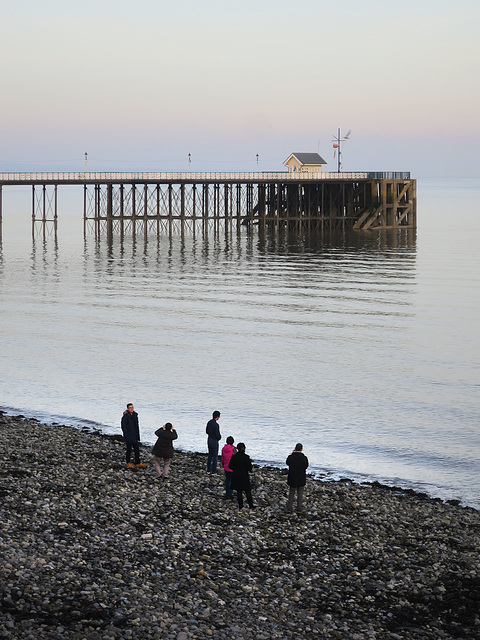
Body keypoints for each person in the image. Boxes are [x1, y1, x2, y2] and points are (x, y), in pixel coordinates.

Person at [229, 442, 255, 509]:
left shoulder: (234, 457)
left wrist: (235, 469)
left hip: (236, 475)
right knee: (248, 491)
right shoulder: (246, 457)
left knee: (239, 491)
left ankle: (240, 506)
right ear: (243, 448)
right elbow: (249, 467)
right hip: (244, 475)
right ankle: (251, 505)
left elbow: (230, 466)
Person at [121, 403, 147, 469]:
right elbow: (123, 427)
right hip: (128, 435)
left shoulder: (135, 415)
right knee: (129, 450)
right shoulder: (125, 416)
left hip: (134, 435)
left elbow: (136, 426)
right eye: (130, 408)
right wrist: (126, 435)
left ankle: (138, 463)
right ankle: (128, 463)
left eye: (132, 407)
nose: (131, 409)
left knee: (136, 449)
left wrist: (137, 435)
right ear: (127, 409)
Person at [286, 443, 309, 513]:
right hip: (301, 477)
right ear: (302, 449)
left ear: (295, 448)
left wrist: (292, 453)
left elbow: (287, 463)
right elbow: (306, 466)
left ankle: (289, 508)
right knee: (300, 494)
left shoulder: (291, 457)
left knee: (291, 493)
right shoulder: (304, 458)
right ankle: (299, 508)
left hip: (292, 477)